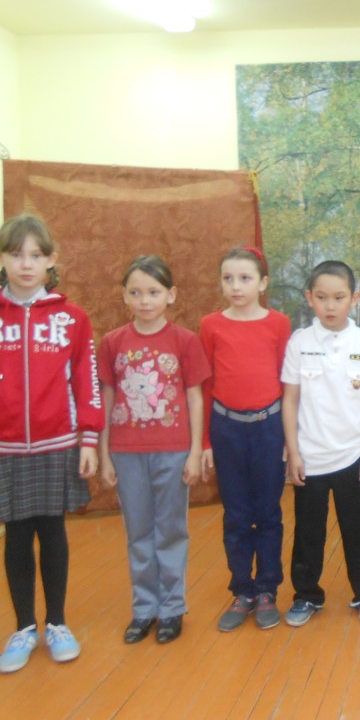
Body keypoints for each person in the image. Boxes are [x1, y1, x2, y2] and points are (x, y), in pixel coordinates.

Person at [0, 214, 103, 673]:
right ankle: (24, 628)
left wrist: (89, 439)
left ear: (51, 260)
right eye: (17, 255)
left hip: (59, 444)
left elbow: (86, 380)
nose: (26, 264)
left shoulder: (72, 318)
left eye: (36, 255)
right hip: (3, 448)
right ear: (1, 258)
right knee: (16, 535)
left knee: (53, 531)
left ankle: (57, 623)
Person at [98, 256, 210, 644]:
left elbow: (195, 397)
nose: (145, 300)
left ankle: (172, 608)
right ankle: (144, 608)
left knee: (171, 530)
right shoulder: (113, 342)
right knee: (139, 531)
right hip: (126, 452)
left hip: (173, 450)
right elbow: (107, 397)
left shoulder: (185, 341)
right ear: (124, 296)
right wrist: (104, 452)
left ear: (170, 295)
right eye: (135, 292)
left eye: (153, 292)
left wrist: (195, 451)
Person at [281, 261, 360, 626]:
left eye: (339, 298)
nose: (330, 305)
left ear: (354, 299)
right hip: (309, 459)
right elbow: (290, 400)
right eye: (322, 297)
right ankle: (306, 595)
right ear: (309, 298)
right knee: (307, 533)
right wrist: (293, 452)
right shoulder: (299, 343)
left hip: (354, 457)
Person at [200, 247, 291, 632]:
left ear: (262, 283)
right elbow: (206, 385)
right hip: (227, 430)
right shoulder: (210, 325)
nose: (236, 286)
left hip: (269, 429)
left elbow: (288, 382)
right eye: (228, 278)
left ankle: (267, 589)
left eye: (245, 278)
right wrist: (206, 442)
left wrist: (289, 438)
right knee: (236, 514)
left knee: (267, 512)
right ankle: (242, 590)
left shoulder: (279, 324)